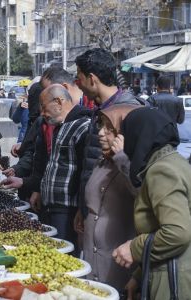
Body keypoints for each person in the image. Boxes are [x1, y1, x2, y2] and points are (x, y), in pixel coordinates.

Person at [112, 107, 191, 300]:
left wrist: (133, 248)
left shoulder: (161, 170)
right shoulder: (173, 161)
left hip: (173, 281)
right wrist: (139, 277)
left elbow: (176, 233)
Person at [1, 84, 90, 245]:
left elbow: (86, 173)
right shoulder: (59, 127)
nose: (42, 113)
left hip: (67, 209)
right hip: (50, 206)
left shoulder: (82, 126)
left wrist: (82, 210)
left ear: (58, 102)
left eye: (43, 107)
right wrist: (27, 183)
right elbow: (49, 167)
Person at [74, 48, 146, 232]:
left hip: (116, 218)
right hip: (95, 209)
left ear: (91, 79)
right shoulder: (101, 109)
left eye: (79, 78)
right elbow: (90, 161)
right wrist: (84, 207)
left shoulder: (129, 111)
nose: (78, 85)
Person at [82, 104, 139, 291]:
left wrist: (122, 158)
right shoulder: (102, 161)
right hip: (92, 256)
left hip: (118, 262)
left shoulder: (135, 166)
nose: (100, 133)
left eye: (109, 129)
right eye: (101, 126)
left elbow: (140, 194)